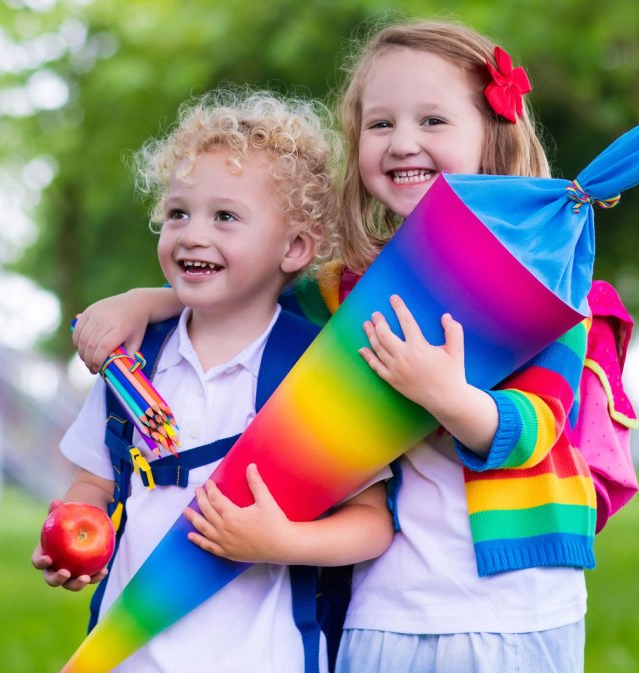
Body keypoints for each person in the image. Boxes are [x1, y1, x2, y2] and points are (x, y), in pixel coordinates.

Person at [72, 20, 594, 673]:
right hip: (381, 604)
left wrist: (447, 395)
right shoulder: (341, 289)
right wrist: (145, 302)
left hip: (512, 609)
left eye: (432, 120)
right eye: (380, 124)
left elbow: (534, 430)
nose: (403, 141)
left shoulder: (543, 285)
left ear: (494, 131)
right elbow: (243, 285)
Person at [33, 88, 394, 673]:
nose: (193, 234)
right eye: (178, 213)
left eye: (225, 216)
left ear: (295, 247)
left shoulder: (315, 372)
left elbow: (373, 523)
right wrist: (79, 535)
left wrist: (281, 544)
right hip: (130, 653)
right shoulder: (134, 361)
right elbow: (92, 484)